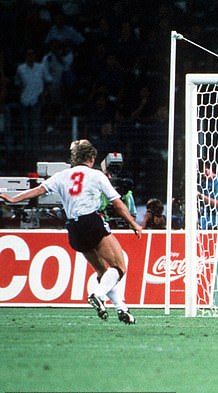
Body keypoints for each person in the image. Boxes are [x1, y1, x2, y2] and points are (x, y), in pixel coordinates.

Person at [0, 140, 142, 324]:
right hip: (91, 221)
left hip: (74, 228)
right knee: (119, 267)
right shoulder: (96, 175)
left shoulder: (62, 175)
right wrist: (133, 223)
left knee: (102, 272)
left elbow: (38, 190)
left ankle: (122, 308)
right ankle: (98, 295)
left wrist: (13, 198)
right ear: (91, 158)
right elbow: (117, 202)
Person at [15, 48, 51, 149]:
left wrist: (44, 94)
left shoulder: (41, 67)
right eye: (28, 54)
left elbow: (48, 81)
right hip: (24, 100)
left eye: (32, 54)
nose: (30, 56)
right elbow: (17, 84)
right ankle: (27, 148)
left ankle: (36, 148)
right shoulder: (20, 68)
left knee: (35, 125)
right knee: (25, 125)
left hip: (37, 100)